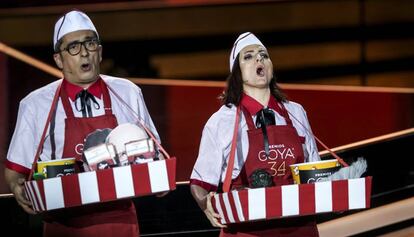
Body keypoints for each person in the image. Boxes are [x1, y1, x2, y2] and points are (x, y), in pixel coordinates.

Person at [4, 10, 161, 237]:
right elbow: (15, 171)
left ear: (100, 51)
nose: (85, 53)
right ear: (59, 59)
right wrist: (19, 188)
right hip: (63, 225)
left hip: (119, 221)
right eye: (74, 47)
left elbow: (154, 153)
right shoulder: (35, 104)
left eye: (90, 43)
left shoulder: (128, 93)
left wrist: (157, 175)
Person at [190, 32, 321, 236]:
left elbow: (315, 169)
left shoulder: (296, 112)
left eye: (264, 55)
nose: (259, 58)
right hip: (246, 231)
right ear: (237, 72)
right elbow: (200, 182)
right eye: (248, 56)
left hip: (300, 227)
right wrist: (205, 204)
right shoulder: (221, 122)